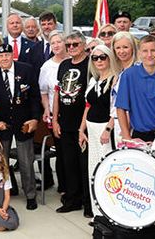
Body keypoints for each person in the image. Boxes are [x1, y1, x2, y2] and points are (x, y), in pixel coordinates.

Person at [114, 35, 155, 238]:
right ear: (139, 52)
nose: (150, 55)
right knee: (140, 183)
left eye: (153, 50)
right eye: (145, 51)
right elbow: (121, 108)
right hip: (139, 136)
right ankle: (142, 226)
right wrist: (128, 138)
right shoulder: (129, 76)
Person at [0, 42, 41, 210]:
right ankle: (4, 193)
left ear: (12, 55)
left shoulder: (26, 69)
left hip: (23, 122)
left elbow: (34, 96)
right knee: (2, 161)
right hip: (2, 123)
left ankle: (30, 195)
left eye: (7, 55)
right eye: (0, 56)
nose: (4, 58)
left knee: (25, 161)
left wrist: (35, 119)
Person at [53, 32, 89, 214]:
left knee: (84, 165)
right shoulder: (64, 65)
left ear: (83, 44)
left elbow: (91, 99)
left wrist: (82, 126)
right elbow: (57, 93)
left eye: (75, 44)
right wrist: (54, 119)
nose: (71, 48)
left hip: (83, 125)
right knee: (69, 164)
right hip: (64, 123)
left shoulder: (91, 64)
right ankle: (72, 199)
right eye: (68, 45)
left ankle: (87, 201)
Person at [80, 44, 114, 217]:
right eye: (95, 58)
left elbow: (117, 110)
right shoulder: (94, 80)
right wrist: (81, 129)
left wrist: (108, 129)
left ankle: (109, 211)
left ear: (109, 58)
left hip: (105, 130)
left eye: (103, 57)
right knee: (93, 170)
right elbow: (88, 105)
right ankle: (97, 212)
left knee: (107, 170)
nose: (99, 61)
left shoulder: (116, 79)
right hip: (91, 129)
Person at [38, 32, 67, 131]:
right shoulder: (46, 66)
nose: (56, 45)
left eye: (59, 42)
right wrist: (46, 108)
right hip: (55, 114)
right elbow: (43, 92)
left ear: (65, 43)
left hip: (74, 114)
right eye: (53, 43)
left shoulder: (74, 61)